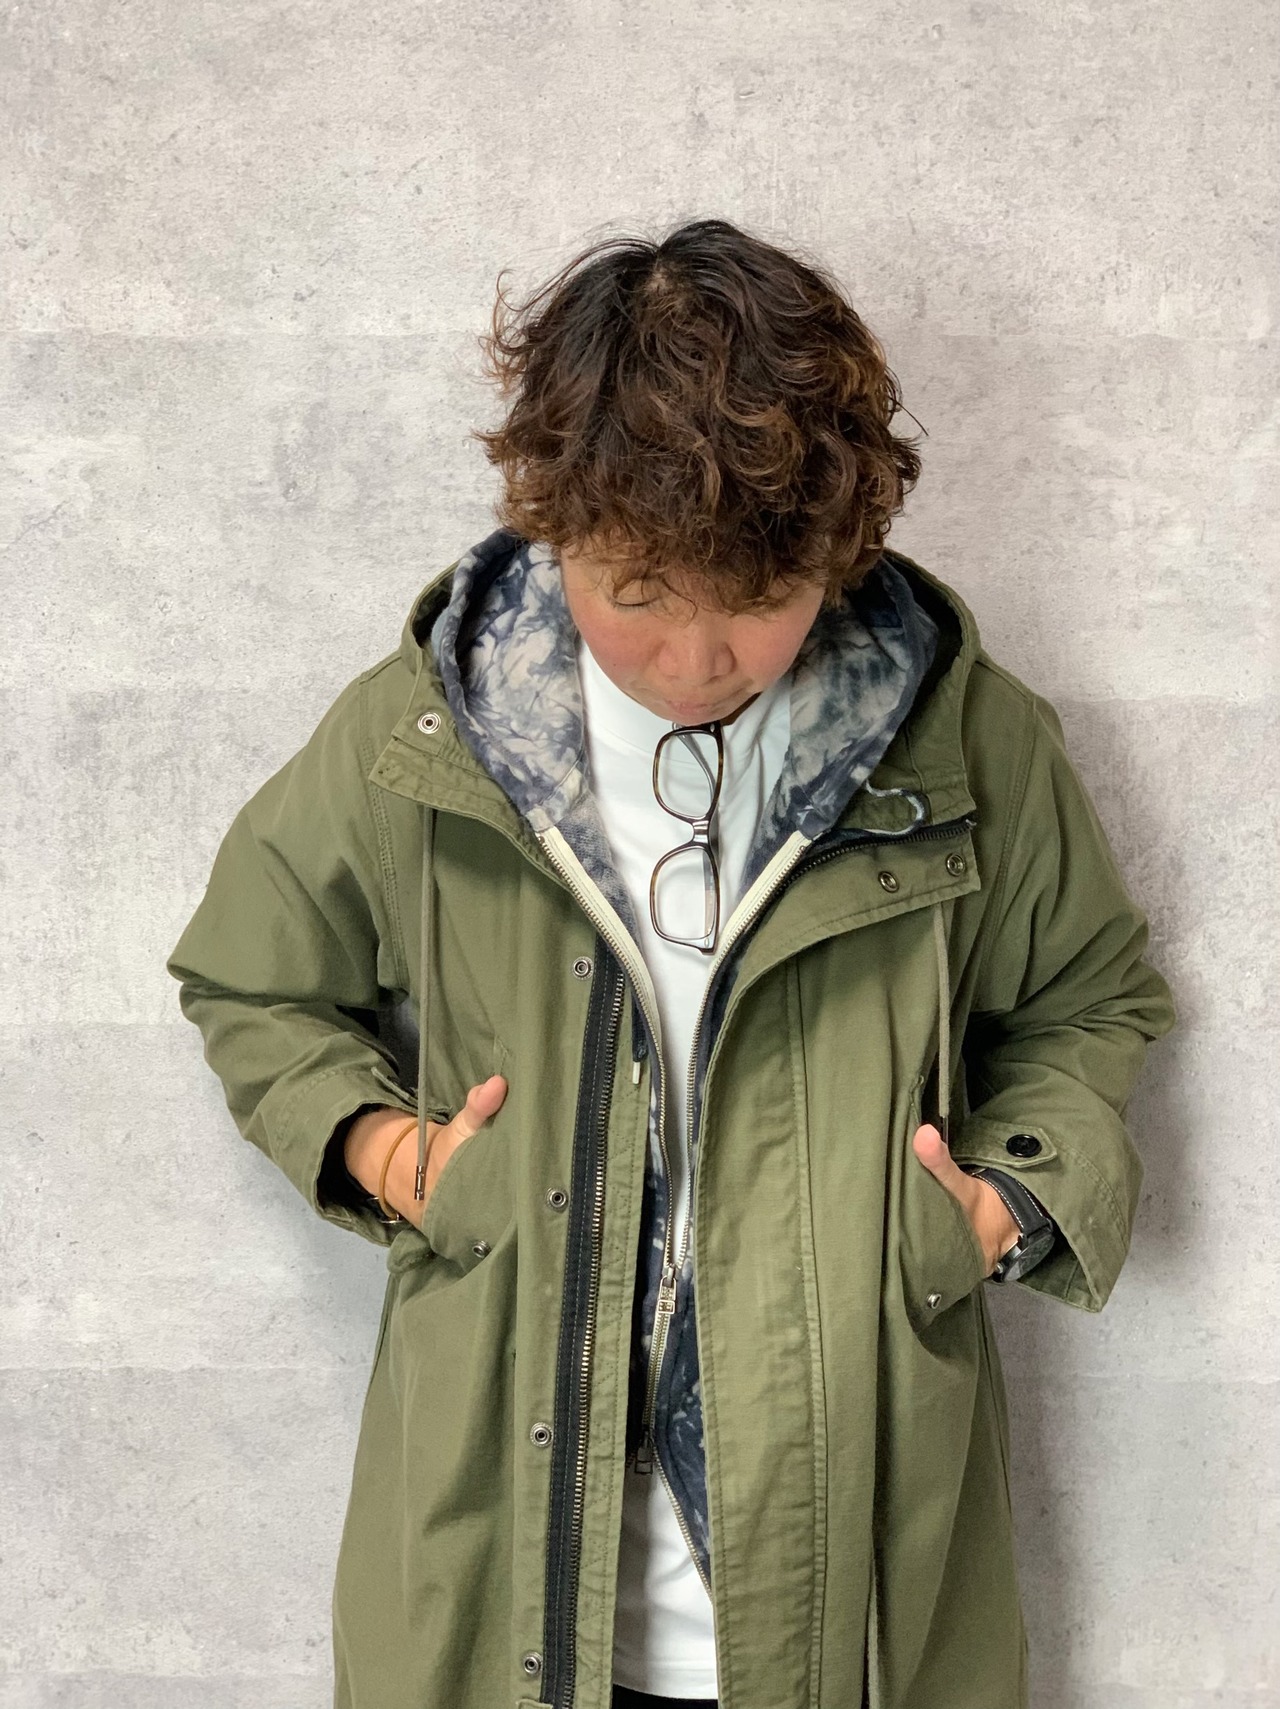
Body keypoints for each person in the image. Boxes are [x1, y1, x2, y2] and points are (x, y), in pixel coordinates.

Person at [166, 217, 1178, 1709]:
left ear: (835, 550)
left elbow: (1092, 997)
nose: (697, 661)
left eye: (759, 601)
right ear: (553, 519)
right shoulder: (430, 736)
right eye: (637, 592)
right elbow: (252, 976)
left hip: (861, 1568)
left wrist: (995, 1205)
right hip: (491, 1560)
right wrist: (387, 1153)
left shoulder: (963, 742)